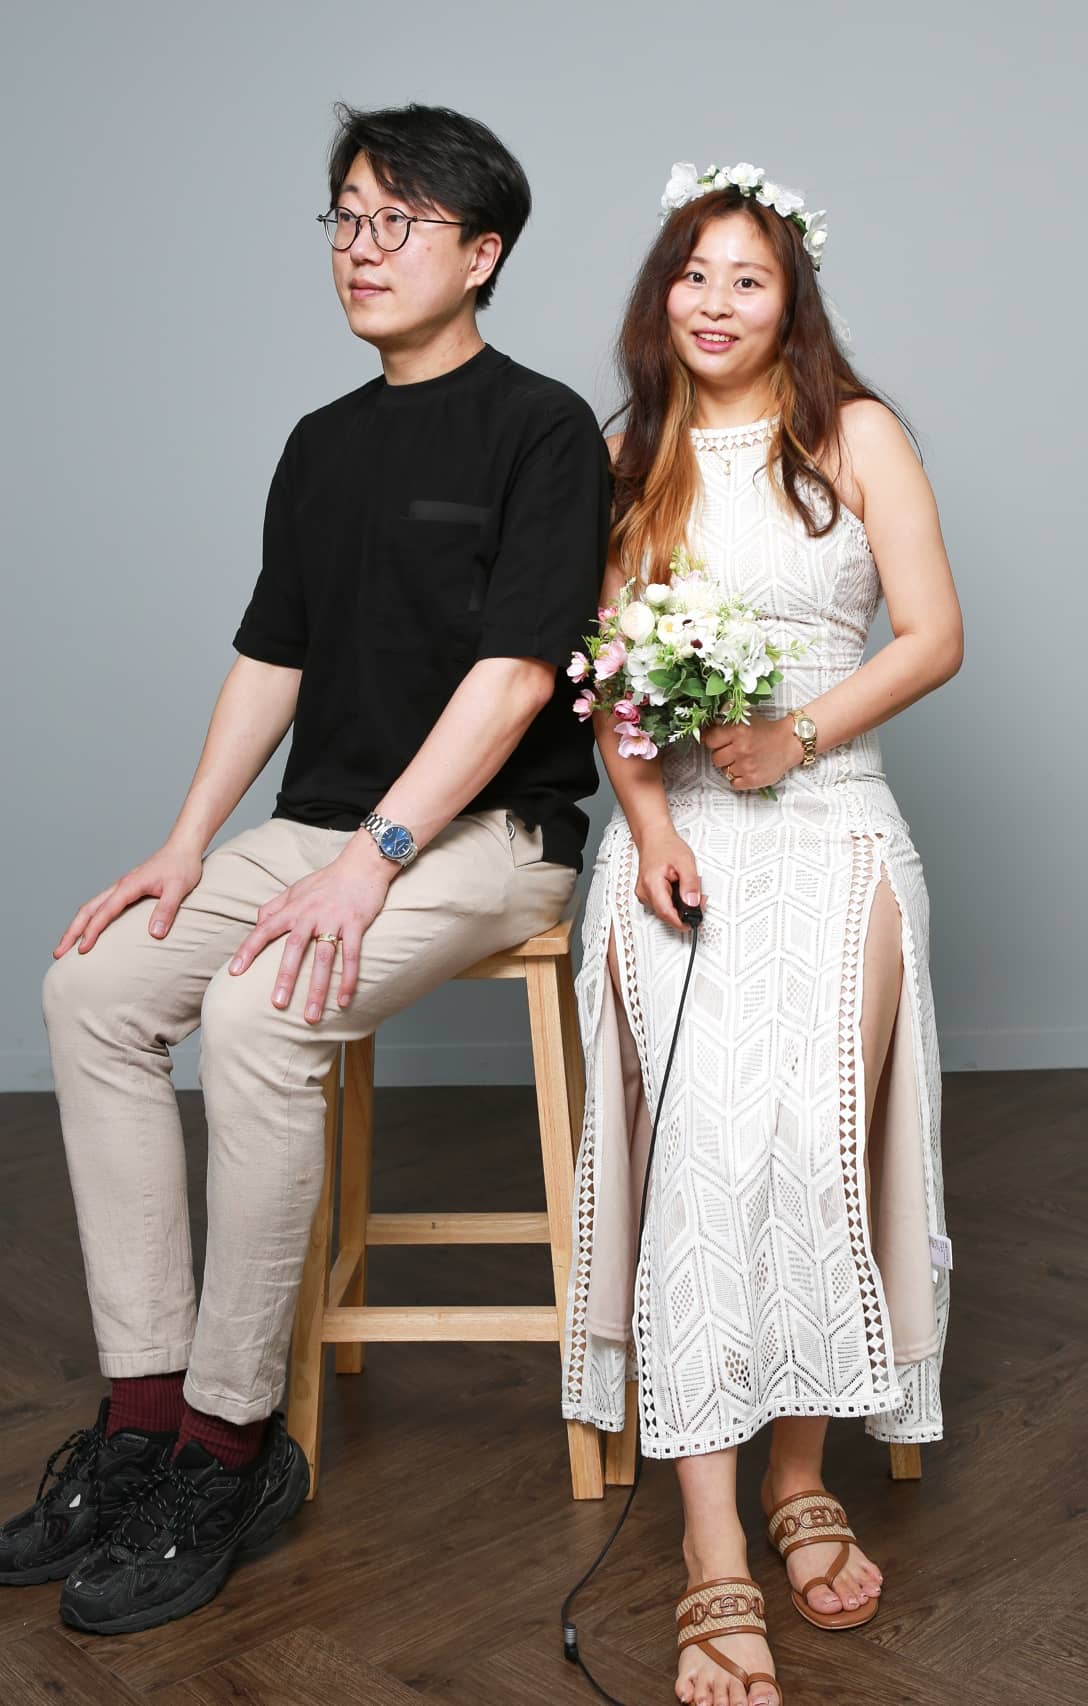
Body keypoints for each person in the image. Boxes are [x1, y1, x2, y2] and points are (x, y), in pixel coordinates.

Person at [0, 102, 609, 1636]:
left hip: (488, 839)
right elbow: (272, 654)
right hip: (315, 829)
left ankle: (229, 1442)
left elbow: (517, 677)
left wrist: (377, 856)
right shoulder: (321, 443)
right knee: (92, 989)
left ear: (483, 254)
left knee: (262, 1010)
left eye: (399, 220)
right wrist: (186, 840)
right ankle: (140, 1421)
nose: (361, 246)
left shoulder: (540, 429)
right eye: (345, 215)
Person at [560, 161, 963, 1706]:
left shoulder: (854, 434)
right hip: (682, 840)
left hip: (832, 819)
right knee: (707, 1154)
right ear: (658, 294)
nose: (715, 301)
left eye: (748, 276)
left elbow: (933, 633)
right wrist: (652, 829)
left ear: (791, 301)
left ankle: (802, 1470)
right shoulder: (628, 456)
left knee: (812, 1142)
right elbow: (609, 682)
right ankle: (712, 1536)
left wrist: (796, 734)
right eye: (693, 272)